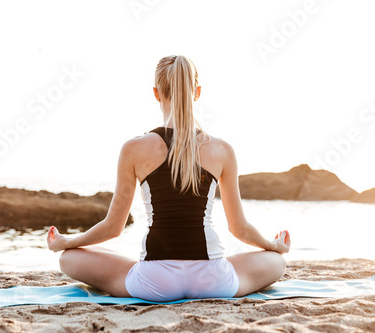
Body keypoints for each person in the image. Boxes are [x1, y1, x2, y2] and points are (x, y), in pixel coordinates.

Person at [47, 55, 291, 302]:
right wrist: (274, 246)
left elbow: (113, 227)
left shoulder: (133, 148)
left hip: (153, 282)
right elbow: (240, 229)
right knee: (276, 262)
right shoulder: (221, 150)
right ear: (196, 92)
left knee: (68, 257)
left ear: (156, 93)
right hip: (213, 280)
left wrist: (68, 241)